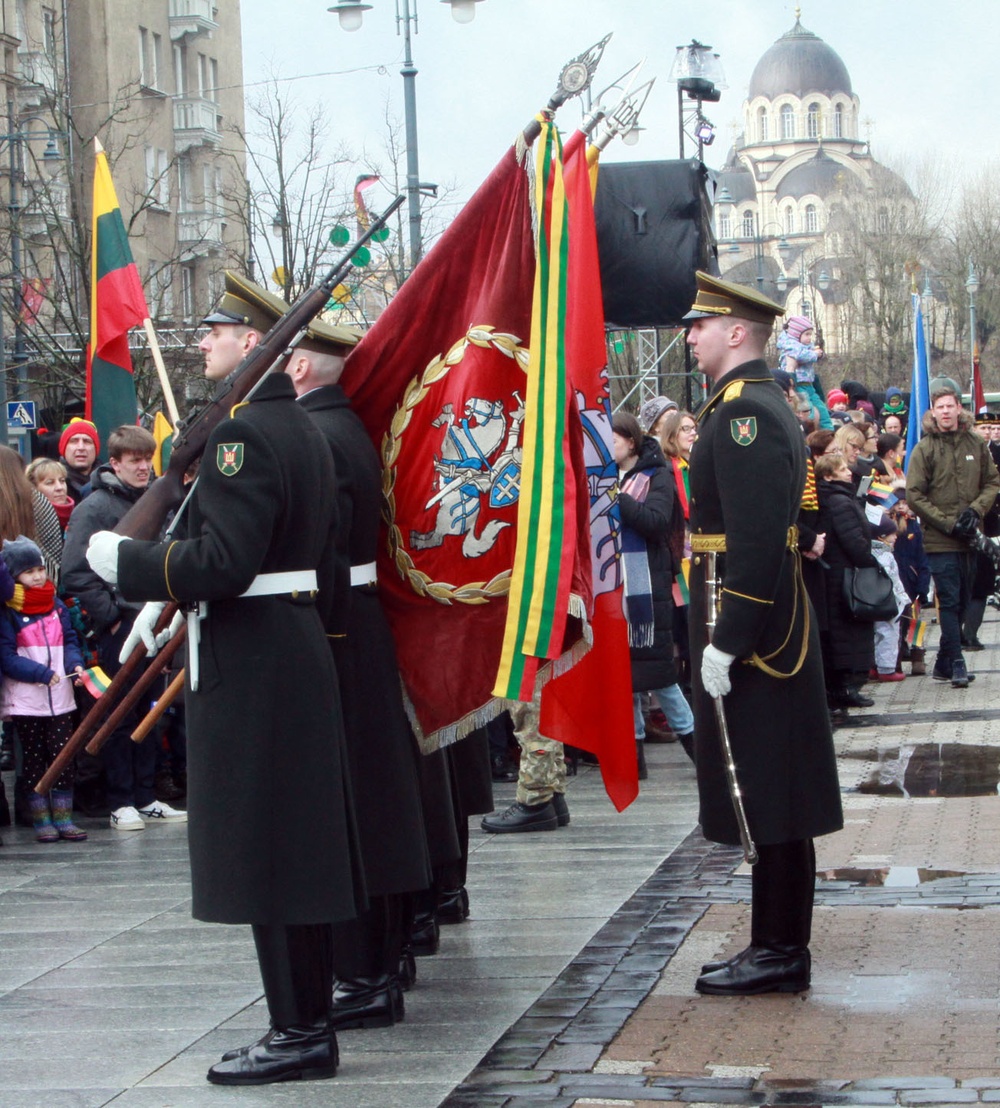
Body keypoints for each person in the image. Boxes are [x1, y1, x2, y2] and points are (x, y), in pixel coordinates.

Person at [85, 301, 364, 1086]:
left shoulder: (244, 435)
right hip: (287, 645)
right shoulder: (301, 426)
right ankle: (300, 1023)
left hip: (254, 659)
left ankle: (300, 1031)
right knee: (289, 849)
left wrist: (128, 566)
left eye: (216, 330)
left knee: (271, 852)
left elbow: (225, 563)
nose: (202, 342)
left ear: (255, 342)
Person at [683, 271, 843, 997]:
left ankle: (780, 948)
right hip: (761, 619)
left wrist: (729, 637)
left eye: (699, 327)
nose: (689, 339)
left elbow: (753, 541)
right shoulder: (740, 405)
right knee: (772, 788)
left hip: (759, 628)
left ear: (736, 333)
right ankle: (774, 941)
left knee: (771, 788)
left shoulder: (744, 414)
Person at [281, 297, 434, 1026]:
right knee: (377, 797)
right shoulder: (342, 426)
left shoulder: (319, 434)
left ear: (302, 364)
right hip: (359, 622)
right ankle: (381, 958)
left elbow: (319, 548)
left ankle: (367, 971)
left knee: (357, 807)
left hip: (341, 626)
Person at [61, 425, 185, 830]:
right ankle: (120, 800)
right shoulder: (93, 508)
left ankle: (146, 795)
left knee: (152, 712)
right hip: (120, 628)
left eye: (147, 459)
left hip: (158, 622)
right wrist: (113, 618)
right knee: (119, 714)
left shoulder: (160, 501)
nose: (143, 468)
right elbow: (76, 574)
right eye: (134, 460)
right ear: (114, 463)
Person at [612, 411, 694, 773]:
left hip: (648, 589)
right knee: (625, 679)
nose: (605, 448)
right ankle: (633, 761)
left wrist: (615, 497)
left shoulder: (657, 475)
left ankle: (698, 749)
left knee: (661, 677)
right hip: (617, 590)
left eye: (612, 440)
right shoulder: (604, 476)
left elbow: (657, 523)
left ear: (630, 441)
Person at [906, 377, 1000, 688]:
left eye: (950, 406)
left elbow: (992, 483)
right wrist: (947, 522)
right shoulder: (924, 448)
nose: (945, 412)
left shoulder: (975, 444)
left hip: (971, 536)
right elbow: (914, 495)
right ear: (932, 411)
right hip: (940, 539)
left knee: (963, 600)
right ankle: (957, 661)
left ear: (959, 408)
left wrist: (975, 511)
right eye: (939, 407)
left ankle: (944, 662)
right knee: (947, 599)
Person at [0, 536, 88, 842]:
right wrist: (40, 672)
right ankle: (41, 819)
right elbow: (7, 658)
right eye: (29, 572)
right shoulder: (9, 613)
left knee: (63, 755)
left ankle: (64, 817)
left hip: (60, 697)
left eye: (40, 569)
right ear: (14, 577)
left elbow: (71, 642)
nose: (38, 576)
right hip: (27, 701)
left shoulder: (58, 607)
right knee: (35, 759)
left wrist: (74, 666)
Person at [814, 452, 877, 709]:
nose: (848, 472)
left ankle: (841, 686)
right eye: (841, 470)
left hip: (837, 574)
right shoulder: (839, 501)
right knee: (844, 635)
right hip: (843, 576)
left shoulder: (834, 497)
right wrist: (869, 560)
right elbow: (853, 541)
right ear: (828, 476)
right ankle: (844, 688)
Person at [777, 315, 831, 430]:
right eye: (807, 334)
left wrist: (817, 353)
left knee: (821, 408)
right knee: (807, 410)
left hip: (809, 384)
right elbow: (800, 355)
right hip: (798, 384)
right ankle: (808, 430)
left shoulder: (805, 346)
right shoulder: (790, 345)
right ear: (796, 334)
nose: (809, 338)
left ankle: (828, 431)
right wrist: (814, 354)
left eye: (810, 334)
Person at [27, 458, 75, 534]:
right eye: (50, 483)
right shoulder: (29, 521)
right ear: (34, 488)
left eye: (62, 481)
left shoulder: (78, 514)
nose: (59, 487)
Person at [59, 418, 100, 503]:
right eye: (74, 441)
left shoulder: (108, 483)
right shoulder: (54, 486)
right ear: (64, 448)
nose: (81, 447)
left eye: (87, 441)